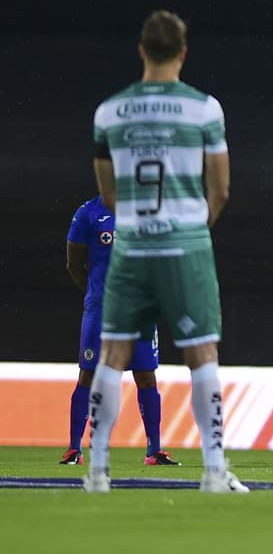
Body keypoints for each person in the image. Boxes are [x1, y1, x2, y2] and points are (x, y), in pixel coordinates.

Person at [83, 10, 247, 494]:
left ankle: (97, 471)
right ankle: (213, 470)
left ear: (141, 51)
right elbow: (221, 190)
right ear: (183, 52)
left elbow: (107, 193)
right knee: (201, 353)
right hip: (185, 245)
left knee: (112, 354)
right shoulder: (204, 109)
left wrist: (140, 224)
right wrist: (191, 229)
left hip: (132, 245)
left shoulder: (109, 112)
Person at [60, 196, 179, 467]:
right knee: (88, 375)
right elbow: (73, 264)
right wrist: (96, 295)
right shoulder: (88, 213)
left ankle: (154, 451)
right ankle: (74, 449)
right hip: (101, 311)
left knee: (146, 376)